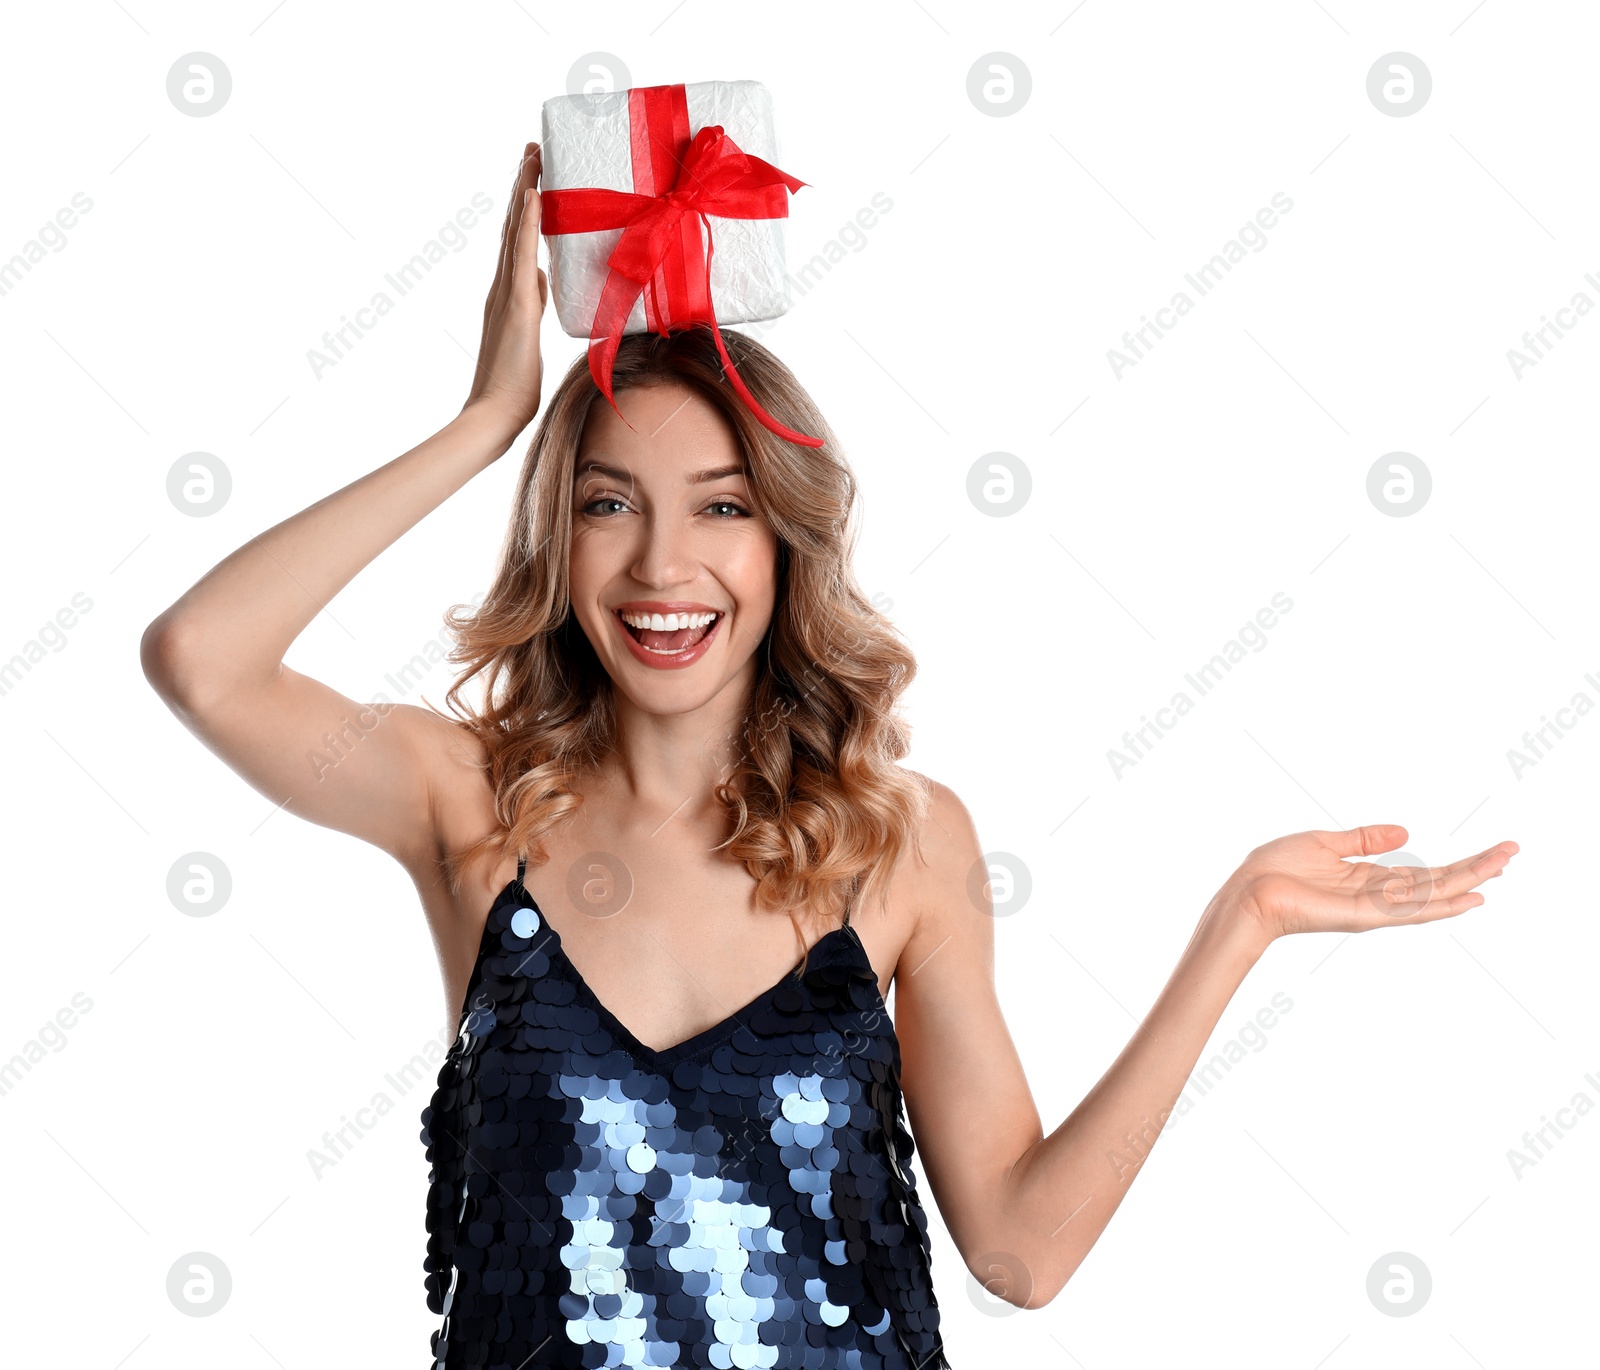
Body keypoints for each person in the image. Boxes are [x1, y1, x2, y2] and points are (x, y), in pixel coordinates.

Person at [140, 142, 1519, 1368]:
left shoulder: (904, 838)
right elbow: (203, 658)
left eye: (721, 506)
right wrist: (487, 424)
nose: (664, 564)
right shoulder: (468, 801)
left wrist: (1243, 923)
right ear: (562, 541)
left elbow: (1019, 1254)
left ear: (783, 543)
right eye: (611, 503)